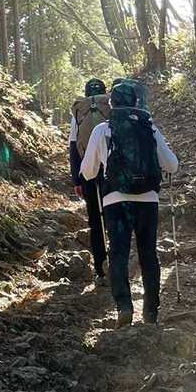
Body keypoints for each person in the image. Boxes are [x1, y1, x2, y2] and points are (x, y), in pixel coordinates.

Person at [78, 78, 178, 326]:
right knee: (148, 254)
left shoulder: (102, 129)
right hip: (148, 199)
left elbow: (88, 172)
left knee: (118, 253)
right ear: (135, 102)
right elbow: (172, 165)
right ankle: (151, 312)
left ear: (111, 104)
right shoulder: (149, 127)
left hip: (115, 200)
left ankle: (124, 307)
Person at [70, 78, 111, 284]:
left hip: (88, 171)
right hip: (111, 170)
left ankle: (101, 270)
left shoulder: (80, 112)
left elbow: (73, 147)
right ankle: (118, 264)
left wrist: (76, 180)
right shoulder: (110, 108)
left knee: (95, 220)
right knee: (113, 216)